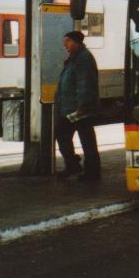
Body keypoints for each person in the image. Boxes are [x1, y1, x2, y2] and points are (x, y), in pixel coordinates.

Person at [54, 30, 101, 181]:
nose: (64, 44)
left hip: (79, 108)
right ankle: (74, 165)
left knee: (86, 140)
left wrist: (83, 106)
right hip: (70, 108)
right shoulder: (74, 58)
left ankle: (90, 171)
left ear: (76, 42)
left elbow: (85, 84)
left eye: (67, 41)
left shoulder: (83, 59)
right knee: (67, 136)